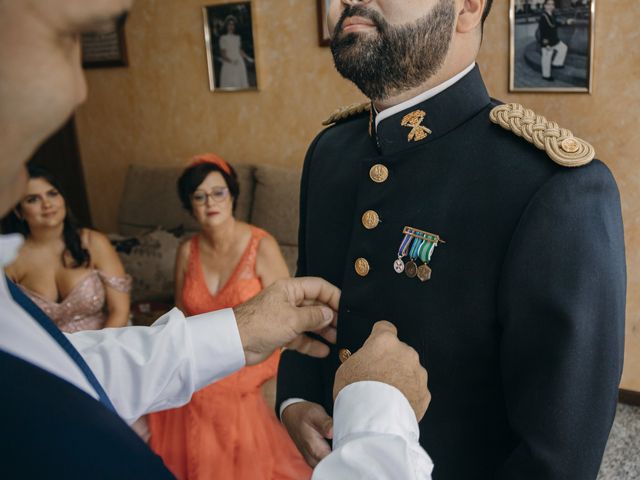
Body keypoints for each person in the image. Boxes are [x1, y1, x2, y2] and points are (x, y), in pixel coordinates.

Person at [0, 1, 435, 477]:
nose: (81, 90)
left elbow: (61, 370)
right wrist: (378, 416)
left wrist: (236, 330)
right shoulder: (195, 244)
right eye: (66, 37)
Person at [277, 1, 626, 479]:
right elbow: (311, 293)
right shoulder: (330, 152)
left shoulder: (553, 187)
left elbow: (557, 456)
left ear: (466, 7)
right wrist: (295, 400)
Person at [148, 155, 310, 479]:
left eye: (218, 192)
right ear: (189, 205)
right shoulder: (186, 251)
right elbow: (180, 311)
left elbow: (287, 313)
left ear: (233, 195)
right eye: (199, 196)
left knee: (212, 393)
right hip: (204, 348)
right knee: (177, 381)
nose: (211, 202)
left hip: (255, 352)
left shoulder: (261, 246)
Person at [3, 165, 131, 333]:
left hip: (106, 342)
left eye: (52, 194)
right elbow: (12, 326)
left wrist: (95, 352)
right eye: (33, 199)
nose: (47, 204)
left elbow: (119, 311)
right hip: (50, 354)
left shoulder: (93, 242)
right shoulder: (10, 258)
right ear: (19, 212)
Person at [538, 0, 573, 81]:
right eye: (548, 4)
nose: (550, 6)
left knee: (563, 48)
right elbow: (542, 32)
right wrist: (546, 44)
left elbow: (556, 24)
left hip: (554, 40)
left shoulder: (552, 15)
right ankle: (546, 76)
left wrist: (566, 22)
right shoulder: (543, 17)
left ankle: (556, 63)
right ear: (545, 6)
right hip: (547, 42)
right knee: (546, 59)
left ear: (554, 6)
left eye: (552, 4)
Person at [219, 15, 252, 88]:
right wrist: (232, 61)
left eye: (233, 24)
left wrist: (248, 58)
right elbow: (223, 54)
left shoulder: (237, 38)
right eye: (229, 24)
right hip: (229, 63)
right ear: (226, 25)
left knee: (240, 83)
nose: (231, 26)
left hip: (239, 62)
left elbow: (239, 50)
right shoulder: (223, 38)